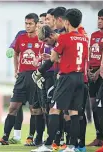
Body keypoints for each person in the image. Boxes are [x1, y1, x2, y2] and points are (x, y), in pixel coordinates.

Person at [31, 8, 88, 152]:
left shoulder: (64, 38)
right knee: (74, 112)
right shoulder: (84, 38)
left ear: (66, 22)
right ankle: (71, 147)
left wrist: (41, 69)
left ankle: (48, 145)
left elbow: (54, 58)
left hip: (66, 77)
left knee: (54, 110)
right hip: (80, 78)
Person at [0, 13, 44, 146]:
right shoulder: (21, 38)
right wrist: (16, 69)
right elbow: (15, 53)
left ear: (37, 24)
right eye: (26, 23)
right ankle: (4, 138)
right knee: (13, 107)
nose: (27, 26)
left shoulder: (41, 40)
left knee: (34, 109)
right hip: (22, 77)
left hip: (35, 76)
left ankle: (31, 138)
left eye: (30, 23)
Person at [87, 9, 103, 147]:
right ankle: (98, 137)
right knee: (94, 105)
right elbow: (90, 52)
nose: (99, 21)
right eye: (98, 18)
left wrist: (99, 70)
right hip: (92, 72)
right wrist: (89, 69)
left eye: (102, 18)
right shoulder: (94, 35)